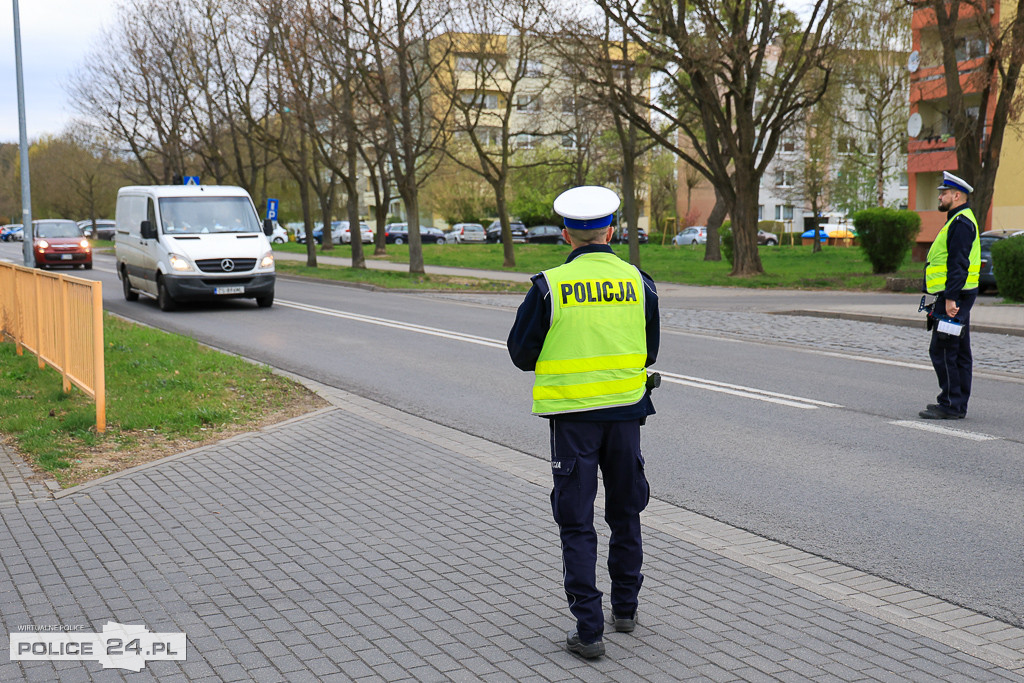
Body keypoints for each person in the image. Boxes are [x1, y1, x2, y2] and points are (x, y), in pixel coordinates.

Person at [507, 186, 659, 659]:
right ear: (611, 230)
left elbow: (520, 354)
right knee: (625, 511)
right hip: (627, 414)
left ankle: (588, 630)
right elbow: (649, 349)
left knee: (576, 521)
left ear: (566, 234)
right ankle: (626, 609)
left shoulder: (549, 286)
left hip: (573, 419)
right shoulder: (641, 281)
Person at [919, 171, 980, 420]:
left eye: (943, 193)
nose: (940, 197)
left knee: (943, 349)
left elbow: (958, 264)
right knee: (959, 350)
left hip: (955, 297)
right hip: (957, 295)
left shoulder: (961, 223)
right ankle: (955, 402)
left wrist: (951, 299)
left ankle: (951, 404)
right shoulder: (958, 219)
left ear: (957, 195)